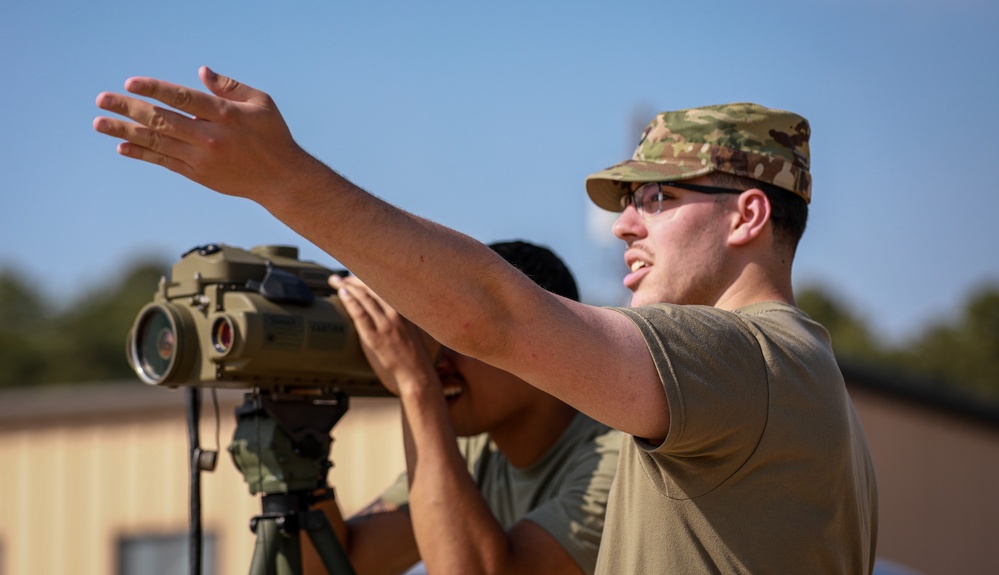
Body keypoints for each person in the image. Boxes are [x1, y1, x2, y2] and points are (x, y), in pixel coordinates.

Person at [94, 68, 879, 572]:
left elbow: (495, 316)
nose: (623, 226)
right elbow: (345, 559)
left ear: (745, 215)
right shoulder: (778, 375)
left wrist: (283, 180)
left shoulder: (746, 359)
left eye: (656, 198)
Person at [304, 240, 621, 575]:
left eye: (464, 335)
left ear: (545, 344)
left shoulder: (617, 462)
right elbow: (335, 562)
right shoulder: (476, 452)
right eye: (432, 330)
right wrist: (299, 444)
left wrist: (415, 384)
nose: (438, 357)